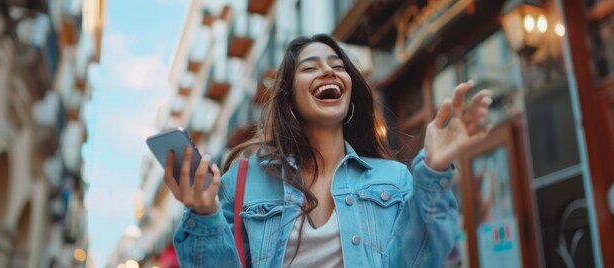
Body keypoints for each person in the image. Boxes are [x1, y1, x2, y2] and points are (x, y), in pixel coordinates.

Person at [163, 34, 492, 267]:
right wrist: (204, 217)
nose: (328, 71)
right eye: (309, 68)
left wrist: (433, 169)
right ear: (290, 100)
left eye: (337, 65)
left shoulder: (394, 179)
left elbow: (420, 261)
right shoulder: (245, 181)